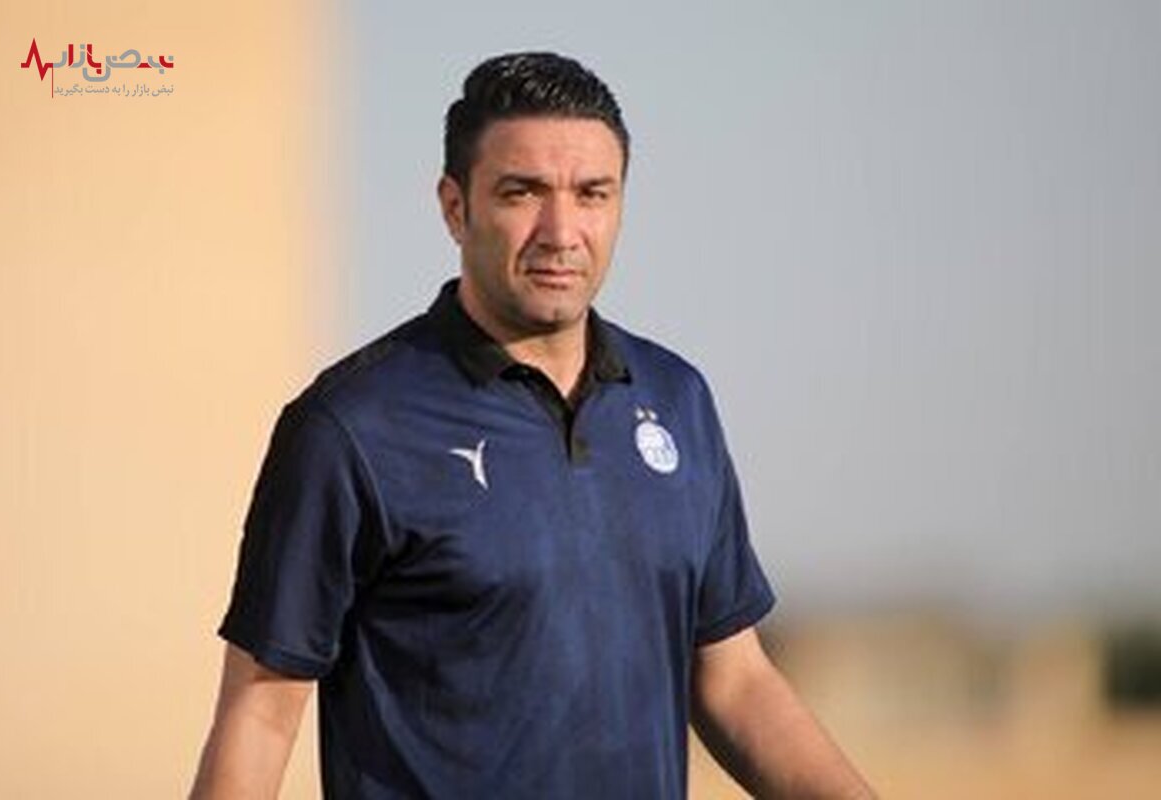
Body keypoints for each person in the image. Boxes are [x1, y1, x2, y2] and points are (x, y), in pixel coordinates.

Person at [191, 51, 874, 799]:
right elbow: (261, 715)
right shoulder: (350, 427)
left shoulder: (678, 400)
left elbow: (735, 680)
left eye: (592, 194)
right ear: (455, 207)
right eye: (522, 192)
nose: (561, 230)